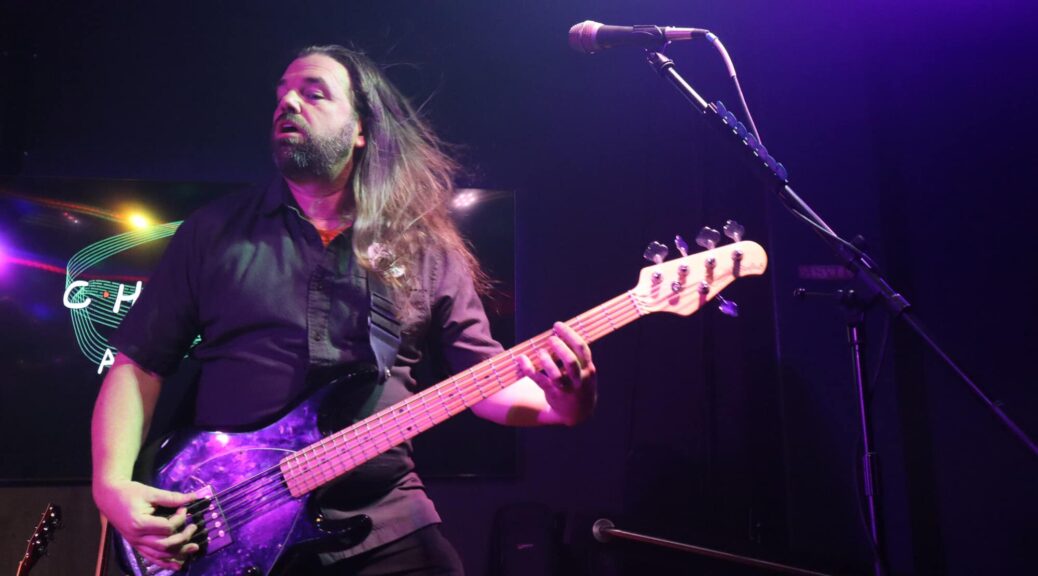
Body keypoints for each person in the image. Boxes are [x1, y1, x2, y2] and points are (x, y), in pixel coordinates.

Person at [90, 45, 597, 574]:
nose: (287, 103)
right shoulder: (213, 231)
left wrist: (565, 406)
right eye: (281, 93)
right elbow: (138, 365)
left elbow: (484, 383)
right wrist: (110, 486)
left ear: (361, 129)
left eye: (313, 93)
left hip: (384, 519)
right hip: (229, 521)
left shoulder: (424, 247)